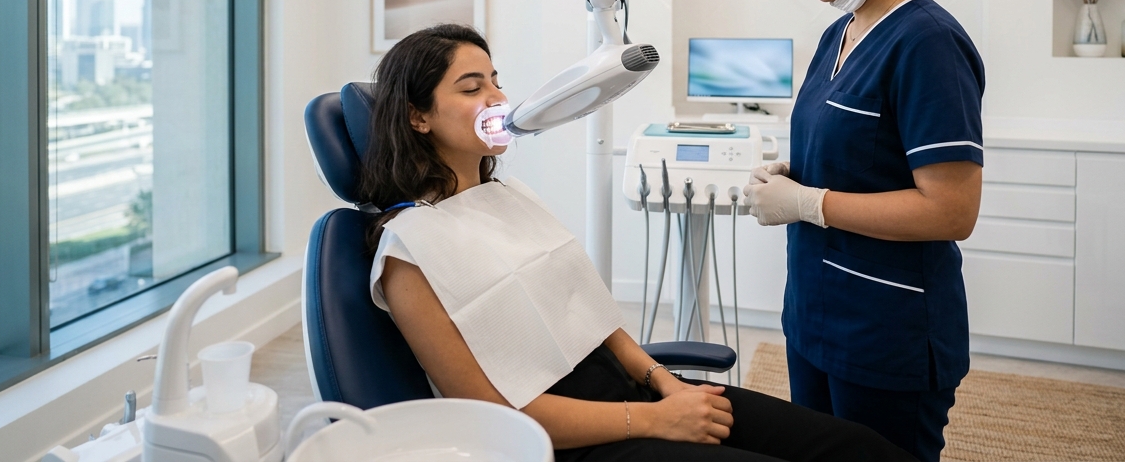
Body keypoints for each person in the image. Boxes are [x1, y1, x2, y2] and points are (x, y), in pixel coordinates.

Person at [360, 24, 913, 462]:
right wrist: (653, 420)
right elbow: (488, 409)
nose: (497, 98)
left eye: (495, 80)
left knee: (857, 448)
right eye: (471, 87)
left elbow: (594, 319)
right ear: (417, 116)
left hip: (633, 394)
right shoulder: (408, 250)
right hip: (570, 441)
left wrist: (664, 383)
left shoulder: (509, 194)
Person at [743, 0, 984, 462]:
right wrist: (792, 177)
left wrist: (807, 202)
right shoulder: (838, 33)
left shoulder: (927, 42)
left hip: (888, 332)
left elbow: (950, 211)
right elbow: (861, 157)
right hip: (815, 317)